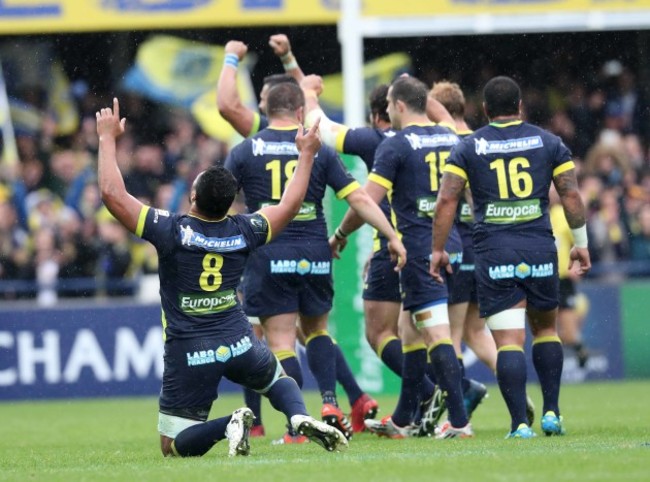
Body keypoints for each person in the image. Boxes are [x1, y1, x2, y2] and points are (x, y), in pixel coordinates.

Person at [96, 97, 347, 457]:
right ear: (231, 203)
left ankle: (229, 422)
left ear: (193, 196)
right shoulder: (246, 229)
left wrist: (107, 138)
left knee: (173, 447)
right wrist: (306, 154)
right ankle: (297, 415)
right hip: (239, 341)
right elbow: (290, 205)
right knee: (277, 379)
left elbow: (111, 193)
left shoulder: (170, 230)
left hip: (190, 350)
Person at [225, 82, 406, 442]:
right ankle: (329, 402)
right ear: (298, 112)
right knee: (319, 330)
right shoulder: (318, 150)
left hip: (270, 252)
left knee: (280, 340)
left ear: (268, 109)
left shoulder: (245, 150)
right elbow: (360, 198)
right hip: (315, 252)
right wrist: (392, 235)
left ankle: (298, 423)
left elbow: (218, 198)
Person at [431, 76, 591, 438]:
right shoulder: (550, 142)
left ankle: (520, 423)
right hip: (539, 247)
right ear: (519, 106)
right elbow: (571, 195)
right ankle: (552, 413)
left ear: (484, 110)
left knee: (508, 340)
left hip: (495, 251)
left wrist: (438, 249)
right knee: (547, 329)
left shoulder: (469, 147)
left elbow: (446, 201)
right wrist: (580, 243)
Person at [333, 76, 472, 439]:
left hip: (418, 250)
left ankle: (459, 421)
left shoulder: (395, 145)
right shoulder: (450, 134)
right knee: (409, 333)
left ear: (396, 106)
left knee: (436, 332)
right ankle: (403, 420)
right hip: (452, 243)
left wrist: (341, 233)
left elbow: (367, 200)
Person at [305, 78, 444, 434]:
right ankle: (433, 405)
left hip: (397, 245)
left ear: (382, 111)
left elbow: (323, 128)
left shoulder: (378, 140)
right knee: (425, 332)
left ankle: (440, 392)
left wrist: (306, 91)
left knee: (380, 331)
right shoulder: (445, 136)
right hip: (445, 244)